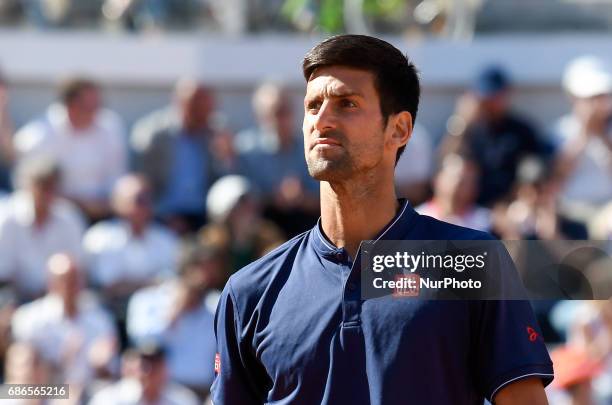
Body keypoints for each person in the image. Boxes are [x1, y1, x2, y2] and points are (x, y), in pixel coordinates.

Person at [211, 35, 553, 404]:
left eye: (346, 104)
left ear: (399, 130)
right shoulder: (249, 291)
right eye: (312, 106)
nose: (321, 120)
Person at [13, 77, 127, 221]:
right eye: (88, 106)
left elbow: (118, 180)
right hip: (55, 216)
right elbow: (25, 186)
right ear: (69, 105)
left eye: (98, 105)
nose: (95, 112)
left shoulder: (111, 127)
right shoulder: (39, 135)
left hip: (104, 215)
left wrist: (107, 204)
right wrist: (73, 204)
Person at [439, 65, 554, 207]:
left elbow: (537, 169)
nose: (489, 103)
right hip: (469, 209)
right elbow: (444, 164)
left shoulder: (521, 130)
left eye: (495, 97)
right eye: (485, 97)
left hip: (510, 207)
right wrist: (461, 123)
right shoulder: (466, 130)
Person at [126, 241, 223, 400]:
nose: (204, 278)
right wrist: (174, 314)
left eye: (210, 270)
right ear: (184, 270)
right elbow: (141, 343)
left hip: (208, 393)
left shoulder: (217, 304)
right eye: (200, 269)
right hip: (163, 391)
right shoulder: (147, 300)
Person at [11, 254, 118, 392]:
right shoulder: (29, 320)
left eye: (75, 280)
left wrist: (101, 367)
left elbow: (111, 377)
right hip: (46, 394)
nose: (70, 286)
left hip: (89, 395)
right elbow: (20, 378)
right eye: (64, 280)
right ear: (51, 283)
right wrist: (63, 360)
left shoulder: (100, 320)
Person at [131, 78, 224, 234]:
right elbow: (141, 179)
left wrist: (226, 155)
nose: (203, 114)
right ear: (180, 103)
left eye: (207, 109)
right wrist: (163, 214)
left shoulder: (216, 133)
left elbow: (225, 179)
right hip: (162, 214)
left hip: (204, 214)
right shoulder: (154, 135)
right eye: (196, 107)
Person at [236, 81, 319, 236]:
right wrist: (273, 197)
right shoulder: (245, 150)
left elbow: (325, 196)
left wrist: (302, 197)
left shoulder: (310, 147)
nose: (280, 120)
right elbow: (241, 200)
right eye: (275, 113)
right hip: (262, 225)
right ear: (260, 117)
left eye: (285, 112)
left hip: (305, 222)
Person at [0, 157, 85, 301]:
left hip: (61, 298)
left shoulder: (70, 217)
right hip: (16, 298)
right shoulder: (7, 218)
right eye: (42, 186)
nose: (47, 193)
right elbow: (4, 275)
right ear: (27, 186)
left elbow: (78, 269)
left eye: (52, 186)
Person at [83, 173, 178, 301]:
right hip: (112, 312)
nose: (144, 205)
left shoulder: (166, 238)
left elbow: (172, 282)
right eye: (138, 200)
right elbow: (111, 287)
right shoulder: (99, 238)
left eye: (147, 199)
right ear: (117, 203)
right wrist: (153, 284)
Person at [551, 55, 612, 222]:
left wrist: (602, 134)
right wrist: (584, 133)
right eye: (591, 99)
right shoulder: (560, 131)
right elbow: (558, 177)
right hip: (572, 211)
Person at [88, 343, 199, 405]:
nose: (149, 370)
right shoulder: (110, 399)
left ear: (165, 369)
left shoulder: (183, 400)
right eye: (144, 364)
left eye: (155, 363)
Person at [417, 153, 490, 232]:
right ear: (436, 180)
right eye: (451, 177)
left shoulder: (487, 223)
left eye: (465, 181)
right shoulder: (416, 220)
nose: (456, 184)